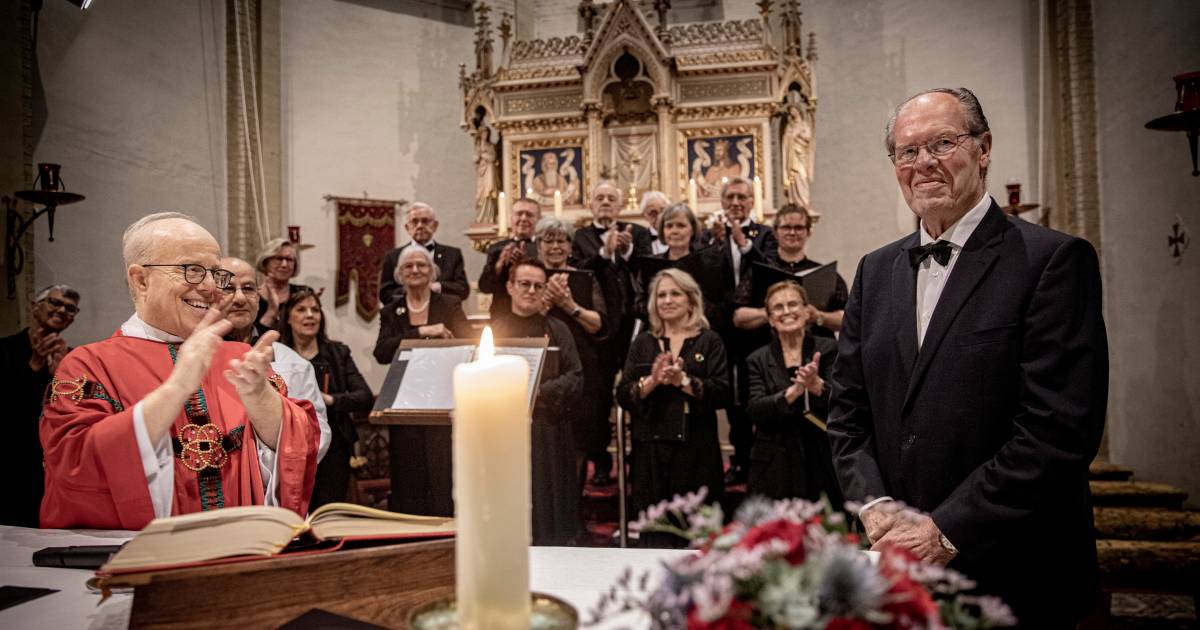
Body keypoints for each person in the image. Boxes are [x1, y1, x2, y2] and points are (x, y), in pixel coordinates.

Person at [828, 88, 1107, 625]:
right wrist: (874, 505)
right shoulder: (874, 270)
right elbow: (846, 411)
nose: (923, 163)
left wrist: (945, 528)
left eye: (943, 143)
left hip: (1016, 569)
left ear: (984, 150)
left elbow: (1058, 430)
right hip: (901, 570)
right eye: (907, 152)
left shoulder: (1052, 261)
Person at [40, 213, 320, 530]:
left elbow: (300, 444)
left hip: (241, 550)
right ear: (140, 279)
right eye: (193, 271)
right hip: (140, 559)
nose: (212, 287)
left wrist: (259, 397)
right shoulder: (89, 364)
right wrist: (177, 388)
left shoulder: (240, 357)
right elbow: (73, 464)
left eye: (216, 273)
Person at [616, 268, 730, 547]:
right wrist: (652, 381)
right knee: (655, 534)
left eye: (675, 293)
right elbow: (624, 394)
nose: (667, 300)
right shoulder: (642, 342)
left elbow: (723, 393)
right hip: (651, 453)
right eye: (661, 295)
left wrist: (683, 380)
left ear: (690, 300)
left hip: (696, 451)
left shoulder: (709, 340)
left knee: (696, 535)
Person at [373, 244, 473, 516]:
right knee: (409, 474)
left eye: (422, 265)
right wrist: (425, 331)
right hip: (405, 401)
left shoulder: (449, 304)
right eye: (409, 266)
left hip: (444, 399)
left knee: (444, 471)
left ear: (432, 272)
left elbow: (471, 344)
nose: (415, 270)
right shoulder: (392, 310)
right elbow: (381, 352)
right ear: (399, 274)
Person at [491, 260, 584, 545]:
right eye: (524, 284)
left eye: (537, 286)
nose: (531, 291)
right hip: (507, 433)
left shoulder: (558, 329)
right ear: (510, 287)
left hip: (549, 431)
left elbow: (575, 376)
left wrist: (539, 392)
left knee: (550, 503)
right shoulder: (494, 330)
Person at [221, 256, 332, 464]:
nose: (239, 298)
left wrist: (263, 464)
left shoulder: (291, 362)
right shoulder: (193, 357)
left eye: (248, 288)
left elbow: (318, 434)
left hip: (275, 485)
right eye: (227, 289)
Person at [707, 177, 777, 486]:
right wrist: (718, 244)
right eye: (731, 197)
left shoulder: (765, 235)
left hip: (757, 330)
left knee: (757, 394)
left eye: (742, 197)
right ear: (722, 201)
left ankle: (761, 460)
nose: (736, 202)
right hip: (723, 331)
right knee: (733, 399)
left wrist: (744, 245)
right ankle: (739, 459)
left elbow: (770, 270)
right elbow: (705, 278)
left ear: (751, 202)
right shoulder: (711, 235)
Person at [745, 281, 841, 505]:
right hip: (774, 464)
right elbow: (755, 410)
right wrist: (794, 392)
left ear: (806, 311)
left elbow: (846, 402)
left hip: (821, 459)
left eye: (792, 304)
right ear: (769, 319)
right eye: (778, 307)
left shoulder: (829, 349)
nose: (786, 311)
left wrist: (817, 385)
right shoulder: (757, 359)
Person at [279, 289, 374, 509]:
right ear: (288, 318)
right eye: (301, 310)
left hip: (334, 446)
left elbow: (364, 397)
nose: (310, 315)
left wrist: (327, 400)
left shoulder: (337, 353)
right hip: (291, 445)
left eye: (315, 310)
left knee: (329, 510)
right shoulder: (279, 355)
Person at [535, 216, 611, 489]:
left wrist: (568, 304)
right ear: (539, 245)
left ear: (570, 246)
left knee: (581, 438)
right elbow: (519, 320)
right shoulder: (530, 277)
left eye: (562, 240)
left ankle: (574, 503)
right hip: (541, 367)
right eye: (549, 240)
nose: (555, 246)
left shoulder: (585, 278)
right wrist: (544, 303)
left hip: (581, 366)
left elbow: (598, 324)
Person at [0, 284, 80, 527]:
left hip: (52, 462)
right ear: (36, 306)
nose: (62, 310)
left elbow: (76, 409)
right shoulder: (5, 349)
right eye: (55, 303)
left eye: (70, 308)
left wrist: (62, 380)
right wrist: (33, 368)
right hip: (11, 460)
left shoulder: (74, 358)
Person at [731, 204, 848, 338]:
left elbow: (849, 319)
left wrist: (819, 316)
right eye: (786, 227)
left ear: (808, 232)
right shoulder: (758, 271)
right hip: (768, 352)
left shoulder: (827, 275)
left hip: (820, 349)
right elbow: (738, 317)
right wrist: (772, 312)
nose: (792, 233)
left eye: (798, 228)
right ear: (775, 232)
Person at [378, 202, 469, 304]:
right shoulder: (393, 256)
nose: (420, 226)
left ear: (435, 226)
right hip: (405, 316)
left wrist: (437, 287)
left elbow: (463, 289)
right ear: (407, 228)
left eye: (425, 221)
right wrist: (413, 289)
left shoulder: (452, 255)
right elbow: (385, 294)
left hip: (445, 314)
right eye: (415, 221)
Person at [478, 197, 541, 319]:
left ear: (538, 220)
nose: (523, 218)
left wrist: (526, 261)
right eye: (519, 214)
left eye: (529, 215)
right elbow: (485, 287)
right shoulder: (497, 248)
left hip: (536, 314)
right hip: (502, 315)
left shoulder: (543, 248)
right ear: (511, 218)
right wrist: (499, 265)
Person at [255, 238, 318, 333]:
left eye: (289, 260)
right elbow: (251, 338)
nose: (284, 264)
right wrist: (271, 311)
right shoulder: (252, 297)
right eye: (279, 259)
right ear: (265, 262)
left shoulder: (304, 293)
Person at [640, 191, 670, 255]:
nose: (659, 216)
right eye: (653, 213)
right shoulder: (639, 240)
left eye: (663, 211)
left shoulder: (678, 235)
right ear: (644, 215)